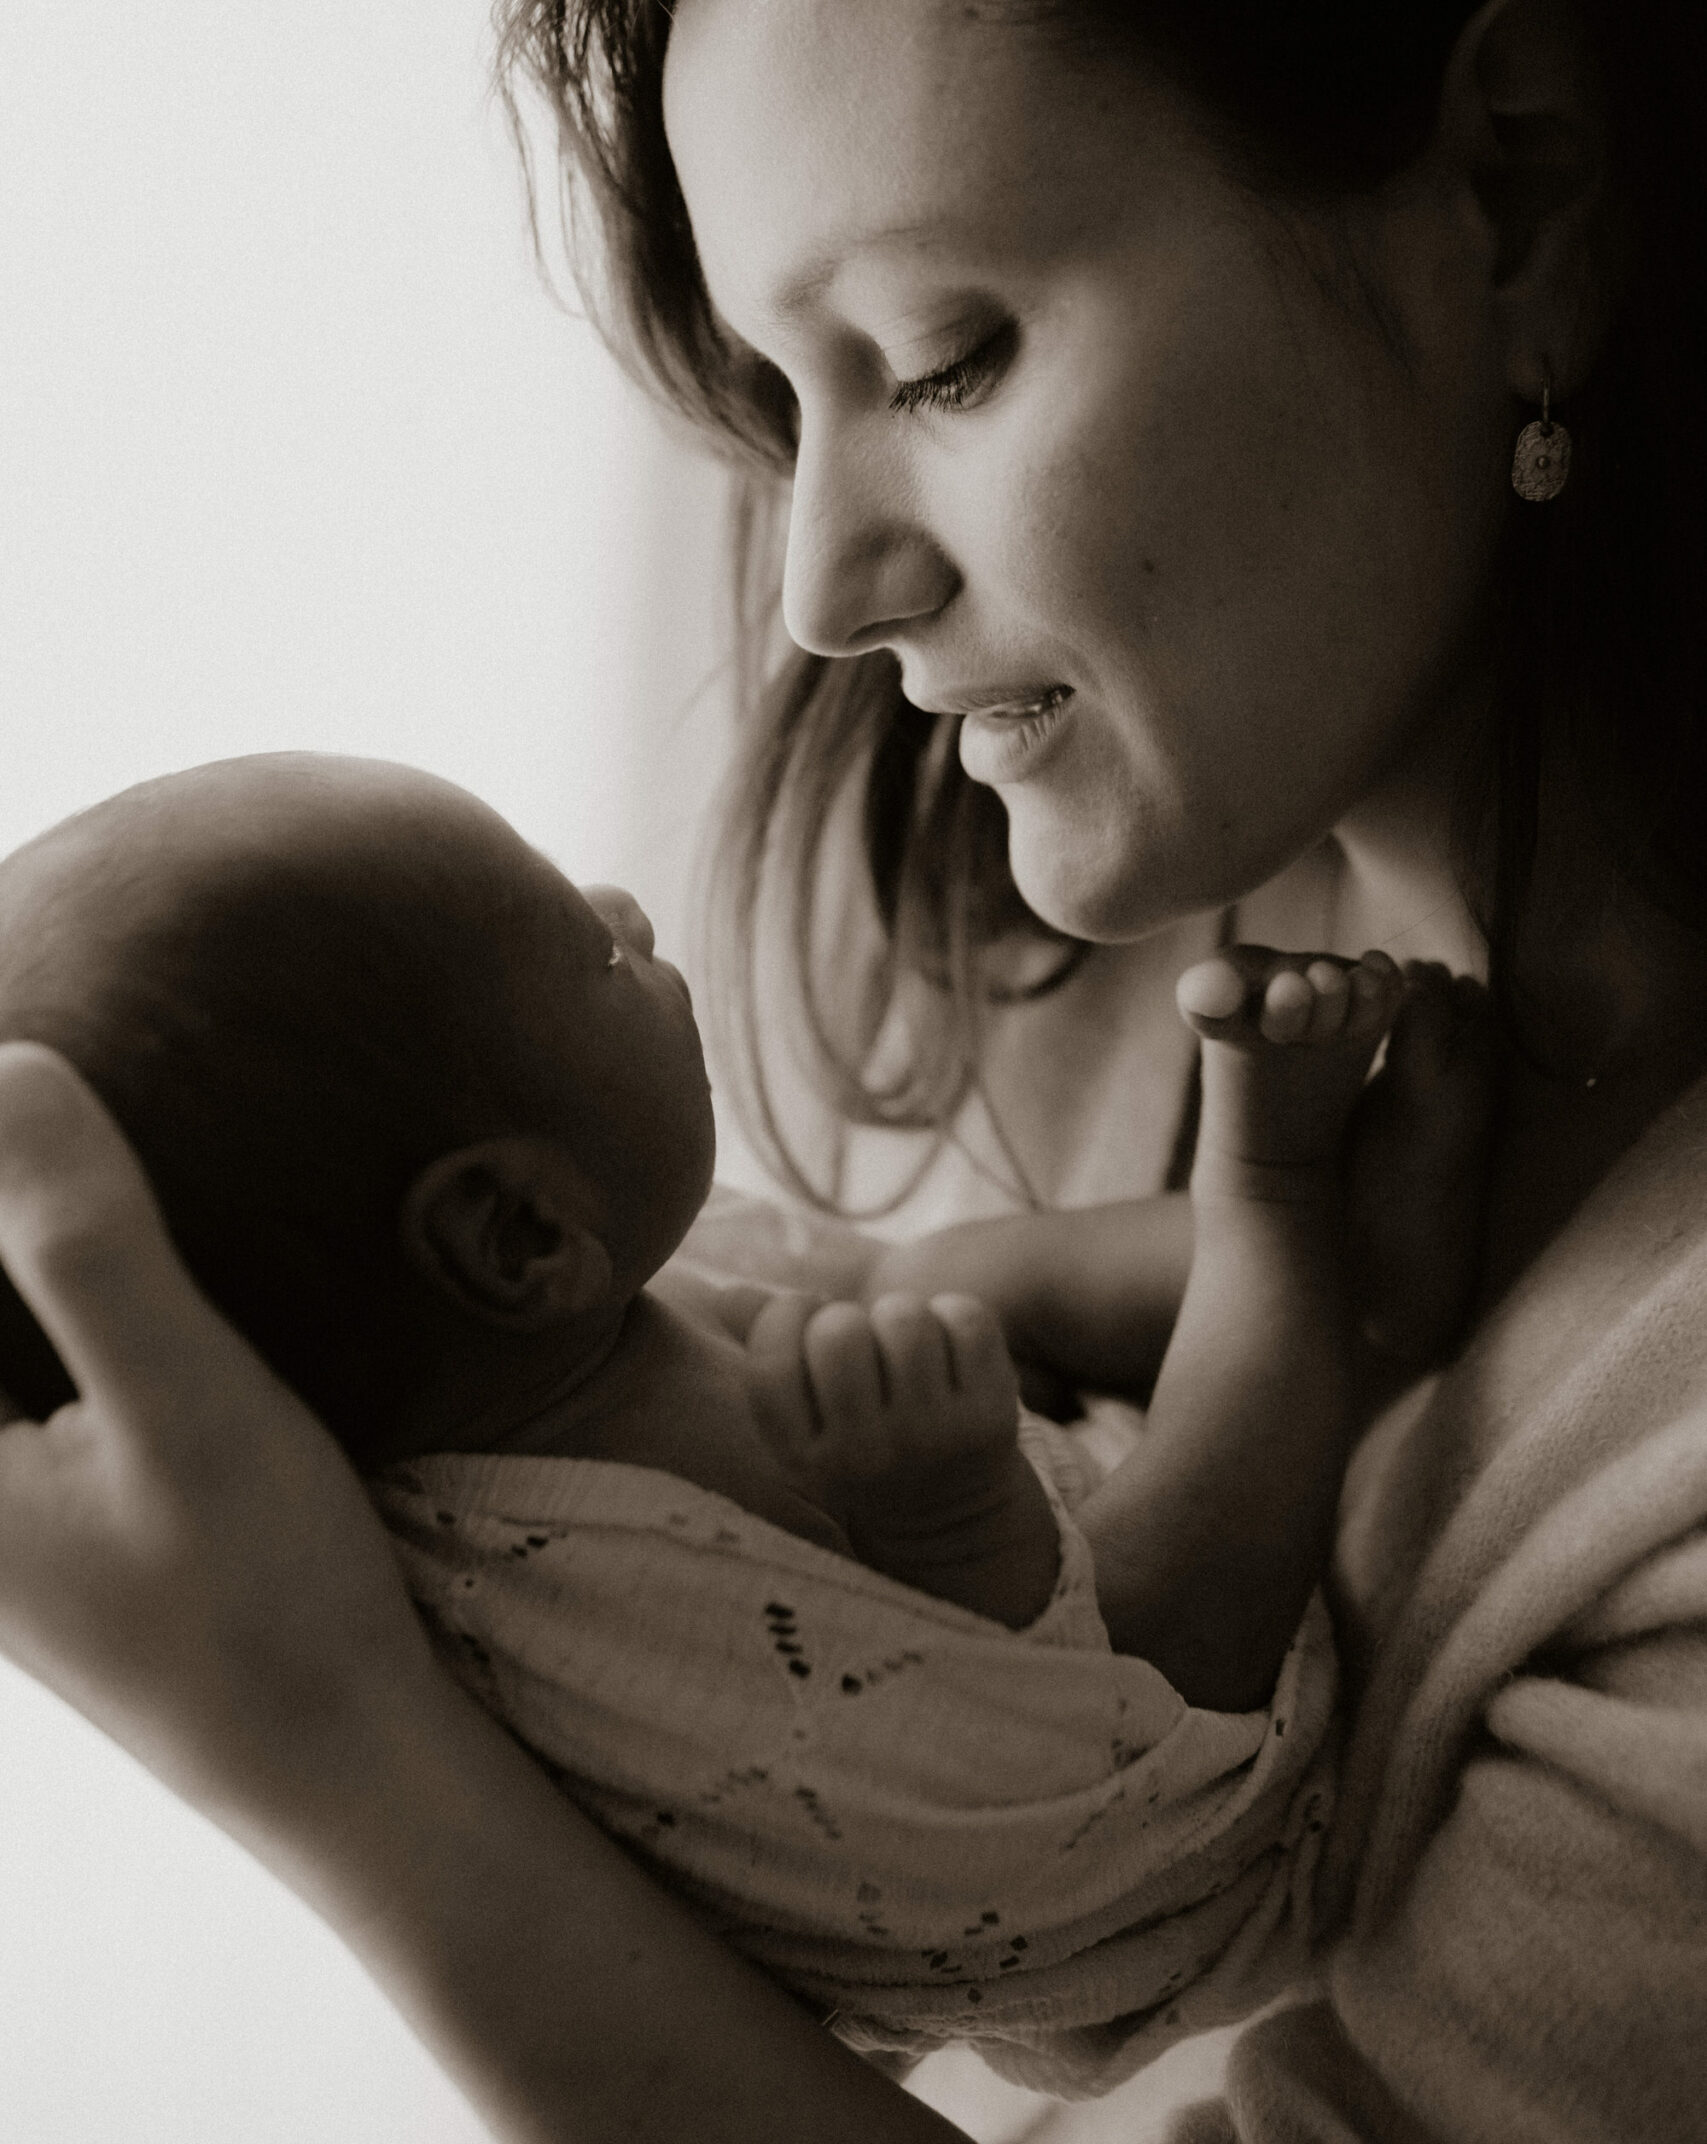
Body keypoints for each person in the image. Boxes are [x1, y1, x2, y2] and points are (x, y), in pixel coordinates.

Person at [3, 0, 1706, 2134]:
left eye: (941, 357)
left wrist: (328, 1738)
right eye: (780, 403)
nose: (822, 586)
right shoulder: (1154, 988)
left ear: (1515, 186)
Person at [0, 749, 1480, 2092]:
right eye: (592, 953)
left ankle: (1293, 1292)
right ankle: (1298, 1243)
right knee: (1161, 1574)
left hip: (1028, 1665)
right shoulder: (614, 1555)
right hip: (1168, 1834)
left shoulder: (534, 1341)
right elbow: (996, 1761)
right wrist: (950, 1517)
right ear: (519, 1235)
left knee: (932, 1281)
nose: (624, 907)